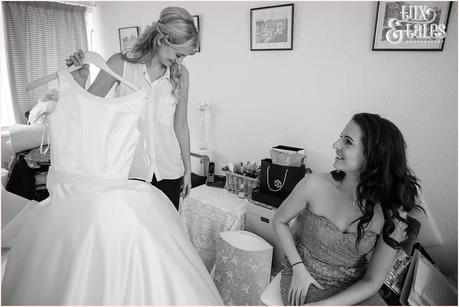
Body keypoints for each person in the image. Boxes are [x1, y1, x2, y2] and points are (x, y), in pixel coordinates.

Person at [272, 113, 423, 305]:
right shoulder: (314, 184)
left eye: (348, 141)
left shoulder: (391, 210)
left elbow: (373, 280)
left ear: (373, 156)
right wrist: (298, 268)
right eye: (340, 137)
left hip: (355, 288)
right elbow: (279, 220)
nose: (336, 145)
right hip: (306, 280)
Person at [66, 6, 198, 209]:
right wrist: (80, 81)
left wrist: (188, 169)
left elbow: (181, 126)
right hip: (128, 172)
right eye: (178, 54)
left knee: (163, 238)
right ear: (162, 39)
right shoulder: (120, 64)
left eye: (184, 56)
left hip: (169, 173)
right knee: (130, 238)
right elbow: (87, 111)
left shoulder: (181, 75)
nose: (180, 62)